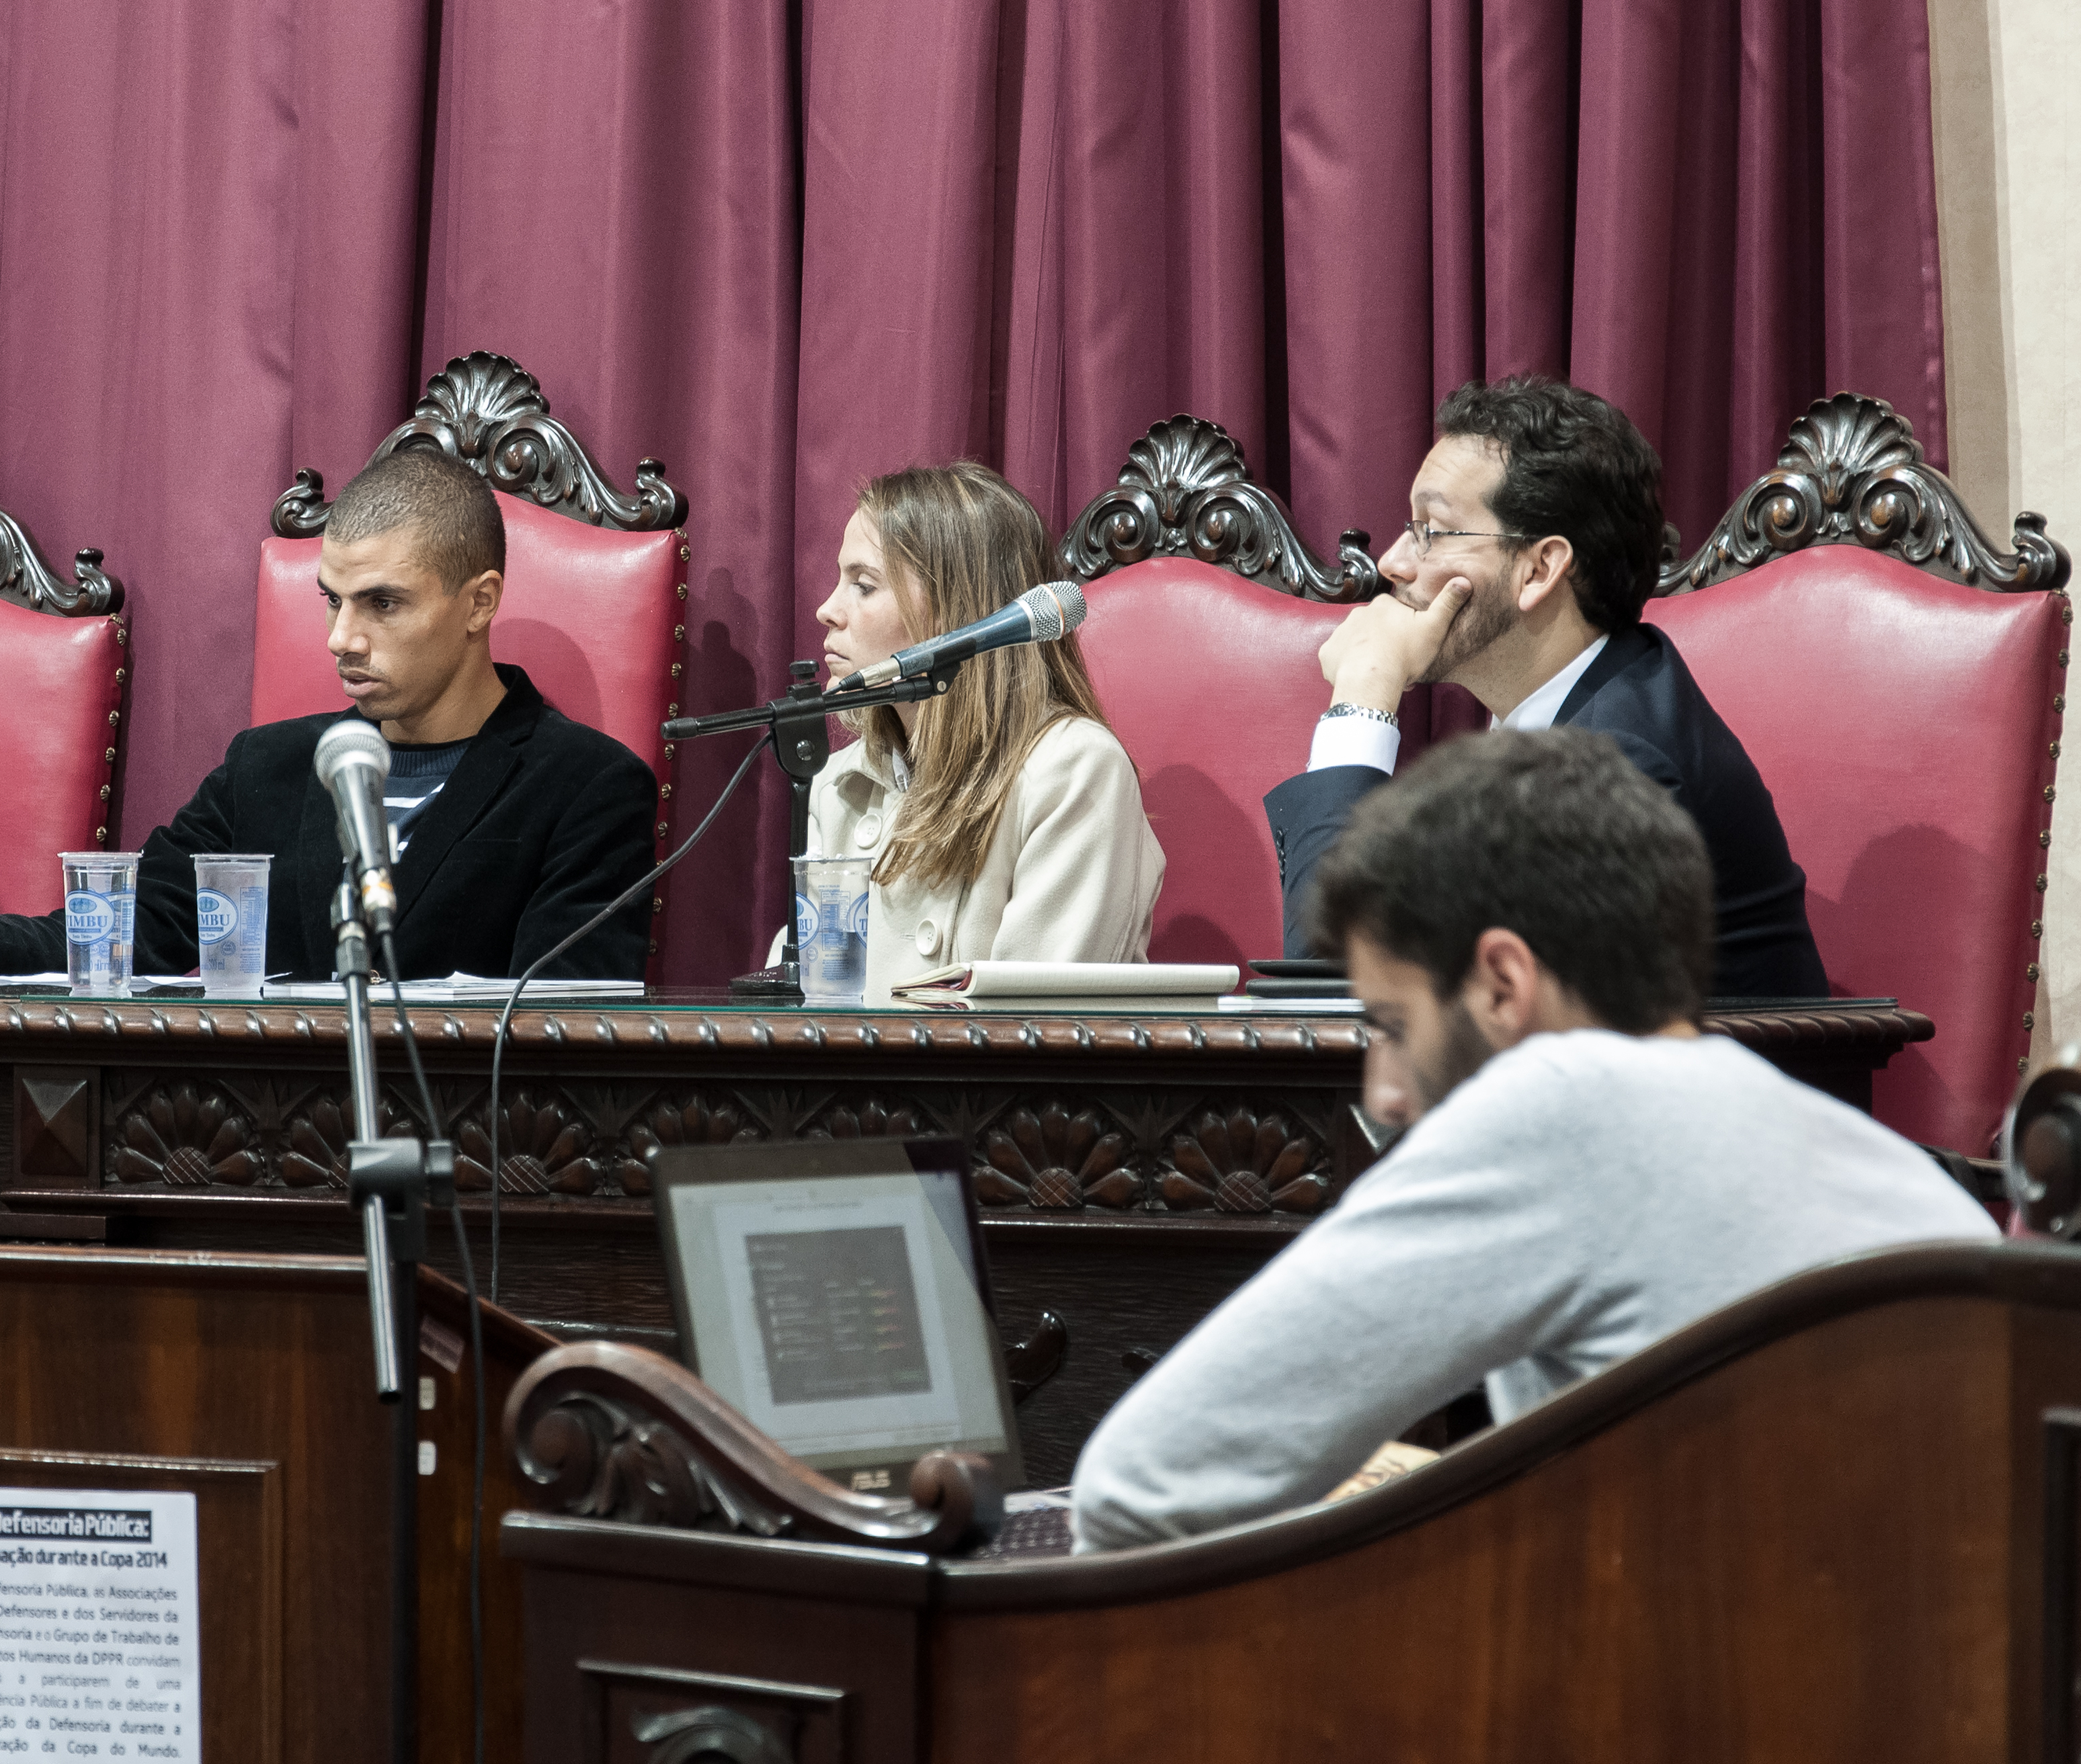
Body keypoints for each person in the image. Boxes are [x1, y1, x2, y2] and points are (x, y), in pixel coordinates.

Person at [1071, 730, 1994, 1552]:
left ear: (1502, 985)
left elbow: (1139, 1485)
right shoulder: (1889, 1169)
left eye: (1392, 1025)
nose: (1382, 1094)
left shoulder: (1561, 1101)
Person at [0, 445, 657, 980]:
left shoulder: (587, 789)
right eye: (333, 601)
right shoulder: (268, 768)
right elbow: (131, 928)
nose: (342, 639)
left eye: (382, 604)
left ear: (479, 602)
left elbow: (564, 1036)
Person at [1264, 375, 1826, 999]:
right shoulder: (1571, 713)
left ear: (1538, 569)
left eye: (1433, 530)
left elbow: (1344, 989)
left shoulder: (1620, 759)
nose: (1392, 562)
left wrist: (1362, 698)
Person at [794, 462, 1163, 998]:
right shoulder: (836, 785)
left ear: (954, 613)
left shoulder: (1075, 771)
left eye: (864, 585)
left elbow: (1034, 1030)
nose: (827, 610)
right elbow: (799, 1005)